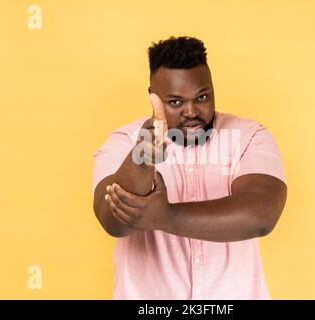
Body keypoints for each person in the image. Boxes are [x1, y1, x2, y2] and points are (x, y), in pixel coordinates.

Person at [92, 36, 287, 299]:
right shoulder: (124, 141)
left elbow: (261, 215)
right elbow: (113, 221)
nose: (192, 111)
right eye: (175, 102)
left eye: (202, 96)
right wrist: (142, 157)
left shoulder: (249, 135)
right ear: (153, 97)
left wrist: (166, 217)